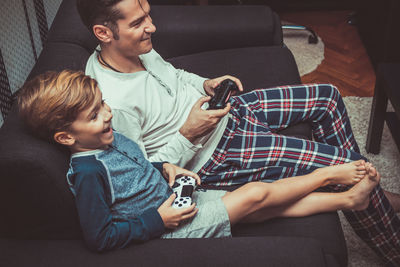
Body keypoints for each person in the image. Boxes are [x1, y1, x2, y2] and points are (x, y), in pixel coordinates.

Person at [77, 0, 400, 264]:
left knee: (327, 96)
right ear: (104, 32)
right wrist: (188, 135)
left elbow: (173, 73)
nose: (152, 27)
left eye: (148, 15)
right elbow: (147, 174)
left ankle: (372, 200)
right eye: (137, 23)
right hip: (215, 155)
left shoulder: (135, 47)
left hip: (225, 115)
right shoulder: (113, 103)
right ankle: (390, 240)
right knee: (347, 164)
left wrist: (205, 84)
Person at [18, 70, 380, 252]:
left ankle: (347, 199)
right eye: (95, 114)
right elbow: (99, 237)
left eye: (103, 104)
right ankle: (329, 175)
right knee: (255, 194)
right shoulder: (87, 173)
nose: (108, 114)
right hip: (169, 227)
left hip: (175, 197)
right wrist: (157, 219)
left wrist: (165, 169)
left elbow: (139, 169)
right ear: (66, 137)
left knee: (264, 208)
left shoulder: (107, 138)